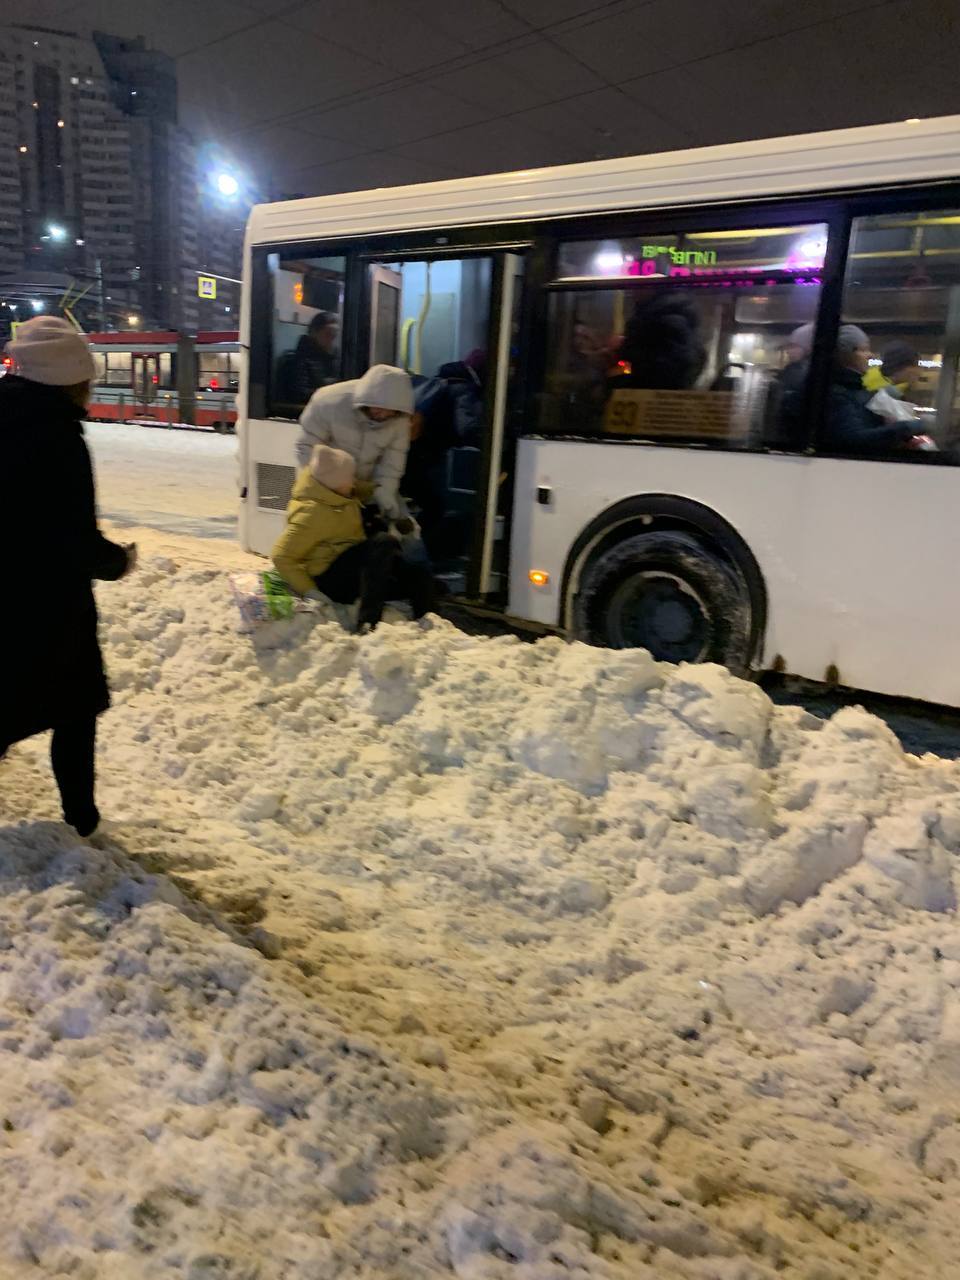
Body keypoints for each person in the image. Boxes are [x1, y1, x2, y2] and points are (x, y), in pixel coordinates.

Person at [0, 317, 136, 837]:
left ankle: (82, 817)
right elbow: (72, 536)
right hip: (48, 604)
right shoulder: (59, 438)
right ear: (68, 379)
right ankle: (82, 818)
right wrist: (116, 561)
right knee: (74, 708)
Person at [272, 443, 435, 633]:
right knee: (383, 542)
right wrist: (311, 592)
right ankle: (367, 624)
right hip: (330, 579)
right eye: (350, 478)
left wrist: (381, 492)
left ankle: (429, 622)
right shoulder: (311, 513)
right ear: (337, 483)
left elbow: (360, 488)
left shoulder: (335, 490)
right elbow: (281, 556)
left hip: (351, 567)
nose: (353, 481)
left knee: (417, 572)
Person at [295, 364, 413, 521]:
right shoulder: (328, 401)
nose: (382, 413)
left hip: (363, 488)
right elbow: (306, 447)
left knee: (402, 533)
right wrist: (331, 485)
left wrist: (384, 493)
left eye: (388, 410)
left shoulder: (400, 420)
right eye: (377, 407)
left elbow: (392, 465)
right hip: (323, 488)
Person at [823, 325, 919, 453]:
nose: (870, 355)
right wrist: (909, 427)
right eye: (864, 350)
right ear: (845, 354)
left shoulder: (855, 387)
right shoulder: (839, 393)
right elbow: (854, 439)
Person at [611, 292, 707, 391]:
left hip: (647, 396)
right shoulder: (664, 315)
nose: (632, 291)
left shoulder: (661, 320)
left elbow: (641, 366)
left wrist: (620, 355)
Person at [292, 311, 339, 402]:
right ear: (314, 333)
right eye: (328, 335)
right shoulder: (302, 359)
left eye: (334, 335)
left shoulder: (335, 358)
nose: (332, 340)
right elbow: (300, 393)